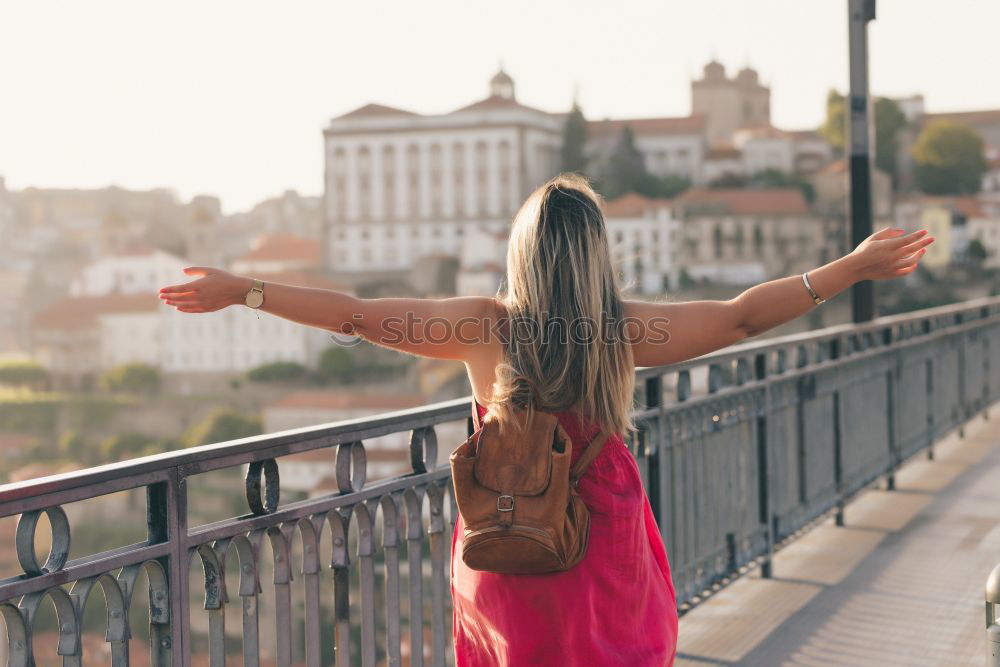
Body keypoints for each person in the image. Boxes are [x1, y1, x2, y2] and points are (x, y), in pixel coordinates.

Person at [159, 173, 933, 666]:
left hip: (508, 538)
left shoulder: (481, 326)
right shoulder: (624, 329)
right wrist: (851, 266)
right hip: (602, 545)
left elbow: (359, 316)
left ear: (520, 252)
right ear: (596, 252)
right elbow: (739, 319)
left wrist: (245, 289)